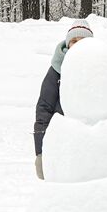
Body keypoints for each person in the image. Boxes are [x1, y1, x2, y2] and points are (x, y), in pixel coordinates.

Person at [33, 21, 94, 179]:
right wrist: (41, 152)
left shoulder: (98, 67)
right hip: (62, 138)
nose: (77, 45)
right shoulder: (56, 70)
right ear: (68, 44)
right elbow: (44, 110)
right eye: (74, 41)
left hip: (90, 139)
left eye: (83, 41)